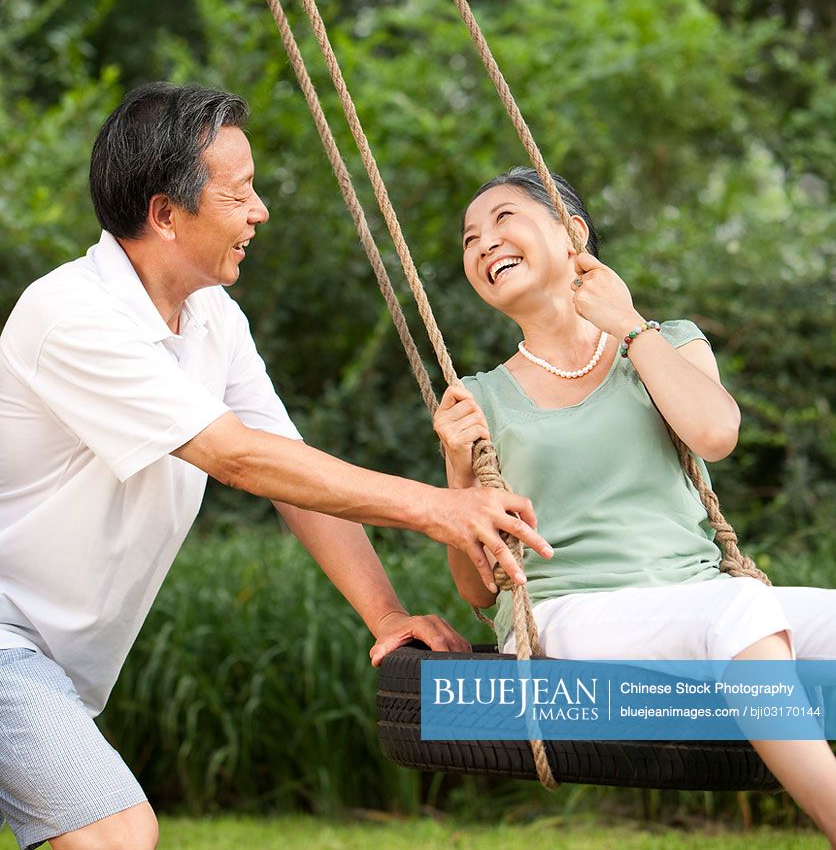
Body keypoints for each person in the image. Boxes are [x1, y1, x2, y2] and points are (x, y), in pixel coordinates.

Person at [0, 86, 553, 850]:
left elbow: (289, 473)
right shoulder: (72, 316)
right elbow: (235, 456)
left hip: (52, 663)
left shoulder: (211, 320)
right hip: (5, 640)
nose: (259, 210)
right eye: (240, 192)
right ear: (166, 214)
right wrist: (438, 506)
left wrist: (387, 616)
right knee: (114, 834)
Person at [434, 166, 836, 846]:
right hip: (562, 614)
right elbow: (477, 587)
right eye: (471, 237)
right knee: (740, 608)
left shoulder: (664, 342)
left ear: (573, 235)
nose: (484, 243)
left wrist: (628, 326)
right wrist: (454, 468)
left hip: (694, 596)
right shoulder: (480, 399)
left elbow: (715, 434)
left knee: (782, 611)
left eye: (505, 219)